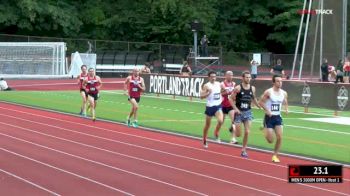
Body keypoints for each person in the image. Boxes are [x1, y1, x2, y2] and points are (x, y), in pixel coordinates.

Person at [229, 71, 260, 157]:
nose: (248, 79)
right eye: (246, 77)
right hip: (239, 113)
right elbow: (231, 99)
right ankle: (233, 127)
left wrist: (258, 105)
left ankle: (244, 150)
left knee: (247, 131)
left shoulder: (252, 88)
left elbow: (253, 98)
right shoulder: (238, 88)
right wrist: (235, 109)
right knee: (238, 134)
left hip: (248, 112)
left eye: (249, 77)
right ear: (242, 78)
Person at [259, 75, 288, 163]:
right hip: (269, 117)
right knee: (270, 140)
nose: (280, 83)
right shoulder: (268, 92)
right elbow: (261, 102)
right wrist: (267, 110)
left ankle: (275, 155)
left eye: (281, 81)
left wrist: (286, 109)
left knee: (279, 137)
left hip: (278, 117)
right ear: (273, 82)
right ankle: (264, 128)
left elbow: (285, 101)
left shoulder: (284, 93)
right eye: (278, 81)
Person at [200, 71, 224, 148]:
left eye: (214, 76)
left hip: (218, 105)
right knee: (207, 125)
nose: (213, 78)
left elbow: (222, 91)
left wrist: (224, 92)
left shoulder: (219, 84)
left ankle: (216, 133)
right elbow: (201, 97)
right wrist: (208, 93)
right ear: (209, 77)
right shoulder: (206, 86)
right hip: (210, 107)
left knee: (220, 121)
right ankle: (204, 139)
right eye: (212, 76)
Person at [219, 71, 237, 144]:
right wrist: (227, 92)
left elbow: (235, 94)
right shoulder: (222, 84)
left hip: (230, 105)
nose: (231, 77)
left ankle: (233, 138)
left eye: (232, 75)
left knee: (234, 121)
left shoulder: (234, 84)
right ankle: (217, 135)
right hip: (222, 105)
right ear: (226, 76)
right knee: (221, 122)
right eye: (229, 75)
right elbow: (220, 93)